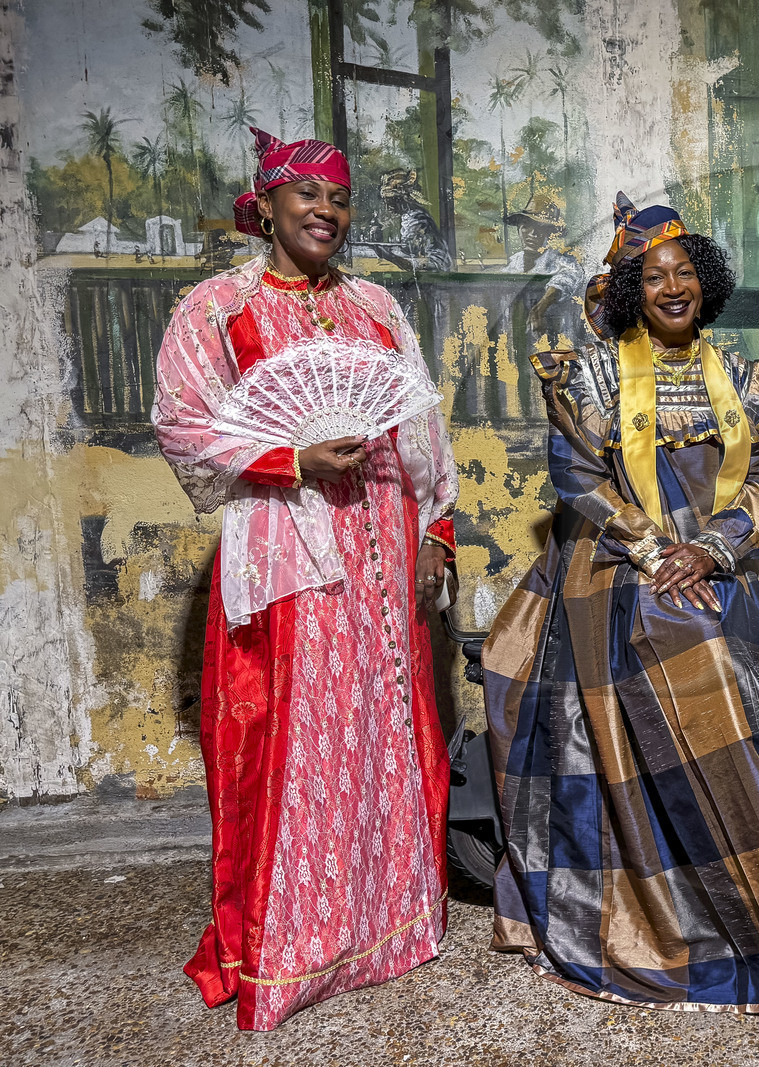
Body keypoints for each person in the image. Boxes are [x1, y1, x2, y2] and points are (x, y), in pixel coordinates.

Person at [481, 193, 759, 1012]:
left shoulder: (746, 379)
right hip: (618, 561)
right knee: (680, 640)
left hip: (721, 561)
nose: (673, 286)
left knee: (747, 691)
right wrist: (657, 553)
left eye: (684, 271)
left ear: (705, 280)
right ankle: (748, 925)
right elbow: (577, 480)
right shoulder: (591, 375)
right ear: (631, 291)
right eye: (653, 276)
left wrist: (711, 547)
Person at [151, 128, 458, 1031]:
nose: (326, 211)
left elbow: (420, 432)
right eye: (308, 195)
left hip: (383, 548)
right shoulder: (220, 308)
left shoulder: (375, 307)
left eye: (339, 198)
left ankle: (389, 925)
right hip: (292, 556)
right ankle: (298, 947)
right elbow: (182, 424)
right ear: (268, 204)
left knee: (382, 729)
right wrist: (292, 456)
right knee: (302, 742)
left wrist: (436, 531)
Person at [501, 192, 586, 346]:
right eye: (527, 226)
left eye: (540, 228)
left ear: (550, 233)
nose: (532, 234)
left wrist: (540, 308)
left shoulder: (561, 261)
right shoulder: (514, 262)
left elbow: (567, 278)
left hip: (556, 342)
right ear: (519, 227)